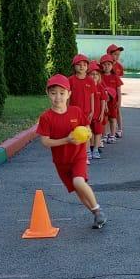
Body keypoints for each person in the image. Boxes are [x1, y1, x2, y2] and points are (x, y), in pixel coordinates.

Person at [36, 74, 106, 229]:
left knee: (78, 181)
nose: (58, 97)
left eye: (62, 93)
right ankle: (96, 214)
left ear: (69, 94)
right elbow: (45, 141)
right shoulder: (46, 117)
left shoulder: (76, 112)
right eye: (53, 93)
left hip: (78, 156)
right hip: (61, 162)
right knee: (78, 191)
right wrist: (66, 140)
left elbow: (87, 129)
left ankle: (98, 210)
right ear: (48, 94)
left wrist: (86, 134)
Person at [68, 54, 97, 161]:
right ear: (74, 67)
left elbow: (92, 96)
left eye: (84, 64)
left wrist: (92, 110)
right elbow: (67, 97)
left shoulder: (90, 81)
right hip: (73, 113)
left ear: (87, 67)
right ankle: (76, 154)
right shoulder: (70, 80)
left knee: (86, 133)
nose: (82, 67)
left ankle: (87, 153)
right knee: (75, 133)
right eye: (79, 65)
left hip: (86, 112)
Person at [88, 61, 108, 159]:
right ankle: (90, 148)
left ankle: (96, 149)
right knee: (89, 132)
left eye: (96, 74)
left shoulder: (100, 87)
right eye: (92, 74)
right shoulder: (86, 86)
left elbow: (103, 101)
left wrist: (102, 113)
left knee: (98, 132)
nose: (94, 76)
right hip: (88, 114)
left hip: (98, 115)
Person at [100, 54, 122, 143]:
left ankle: (112, 135)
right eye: (104, 64)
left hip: (113, 103)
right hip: (103, 102)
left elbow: (119, 91)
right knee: (104, 119)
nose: (106, 66)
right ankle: (104, 135)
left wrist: (119, 102)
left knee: (113, 119)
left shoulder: (115, 77)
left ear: (112, 66)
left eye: (109, 64)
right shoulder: (99, 77)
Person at [105, 44, 125, 138]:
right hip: (105, 96)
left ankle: (120, 129)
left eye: (118, 55)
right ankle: (109, 131)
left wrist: (118, 98)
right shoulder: (104, 64)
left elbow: (118, 83)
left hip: (114, 96)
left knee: (117, 111)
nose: (117, 57)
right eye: (115, 54)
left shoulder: (119, 66)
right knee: (106, 113)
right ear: (109, 54)